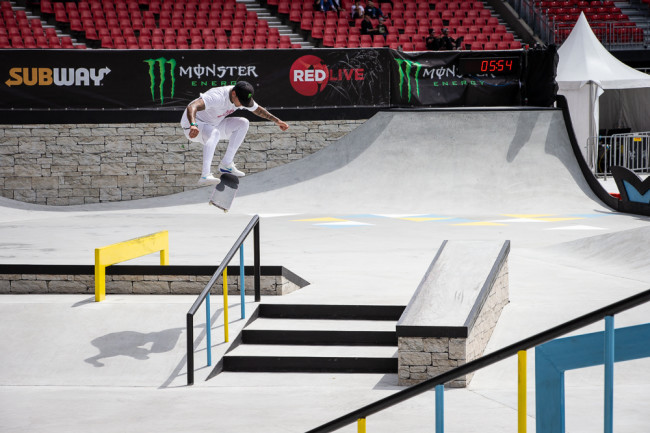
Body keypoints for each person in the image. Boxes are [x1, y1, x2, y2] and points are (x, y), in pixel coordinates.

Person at [181, 81, 289, 185]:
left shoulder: (242, 95)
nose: (242, 104)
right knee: (215, 134)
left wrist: (277, 121)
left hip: (214, 123)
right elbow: (192, 106)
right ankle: (205, 175)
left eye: (244, 102)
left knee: (243, 123)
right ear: (233, 93)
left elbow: (258, 110)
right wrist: (193, 125)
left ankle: (226, 164)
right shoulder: (217, 96)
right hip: (194, 126)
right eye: (241, 102)